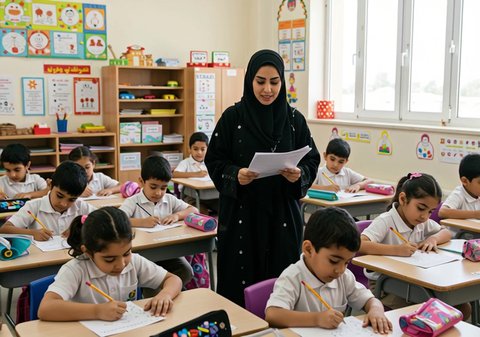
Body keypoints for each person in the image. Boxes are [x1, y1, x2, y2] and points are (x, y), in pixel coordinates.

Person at [205, 49, 320, 305]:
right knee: (239, 285)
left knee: (282, 286)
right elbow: (214, 159)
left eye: (274, 82)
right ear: (250, 81)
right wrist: (236, 175)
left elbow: (312, 159)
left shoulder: (294, 120)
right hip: (241, 218)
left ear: (282, 82)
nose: (267, 89)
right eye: (260, 81)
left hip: (282, 216)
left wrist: (299, 176)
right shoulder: (232, 118)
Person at [37, 207, 182, 321]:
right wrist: (97, 311)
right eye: (109, 259)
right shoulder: (76, 270)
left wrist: (165, 294)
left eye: (126, 253)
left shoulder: (134, 262)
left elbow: (173, 279)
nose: (121, 264)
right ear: (88, 252)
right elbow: (45, 308)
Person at [359, 173, 470, 318]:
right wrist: (396, 250)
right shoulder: (386, 221)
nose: (425, 216)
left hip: (415, 281)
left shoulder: (421, 222)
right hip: (385, 285)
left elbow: (446, 232)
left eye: (430, 212)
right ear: (403, 199)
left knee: (463, 308)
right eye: (421, 208)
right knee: (429, 315)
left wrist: (433, 239)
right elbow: (360, 243)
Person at [265, 207, 392, 334]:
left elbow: (369, 299)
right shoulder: (293, 277)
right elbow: (273, 315)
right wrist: (317, 318)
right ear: (309, 249)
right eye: (334, 261)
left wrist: (376, 310)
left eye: (347, 262)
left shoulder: (344, 277)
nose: (341, 270)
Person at [119, 155, 196, 286]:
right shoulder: (133, 201)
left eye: (163, 188)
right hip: (144, 255)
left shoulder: (169, 199)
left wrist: (176, 216)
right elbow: (117, 219)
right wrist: (141, 222)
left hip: (168, 250)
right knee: (151, 280)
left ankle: (167, 290)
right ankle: (154, 295)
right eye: (153, 187)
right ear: (141, 182)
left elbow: (193, 210)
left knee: (187, 271)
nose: (159, 193)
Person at [0, 161, 96, 240]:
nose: (63, 204)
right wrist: (32, 233)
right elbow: (4, 229)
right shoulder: (34, 206)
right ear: (50, 184)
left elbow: (107, 219)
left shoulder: (81, 206)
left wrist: (79, 226)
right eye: (59, 195)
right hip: (42, 260)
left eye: (72, 199)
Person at [173, 131, 219, 214]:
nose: (199, 152)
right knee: (201, 214)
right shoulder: (186, 163)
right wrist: (196, 174)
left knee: (226, 209)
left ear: (207, 150)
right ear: (189, 149)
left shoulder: (210, 163)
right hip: (191, 197)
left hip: (211, 197)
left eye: (203, 149)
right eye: (195, 149)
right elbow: (175, 174)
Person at [439, 153, 480, 222]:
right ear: (465, 181)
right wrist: (475, 214)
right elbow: (442, 212)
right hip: (457, 232)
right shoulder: (459, 194)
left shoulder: (477, 194)